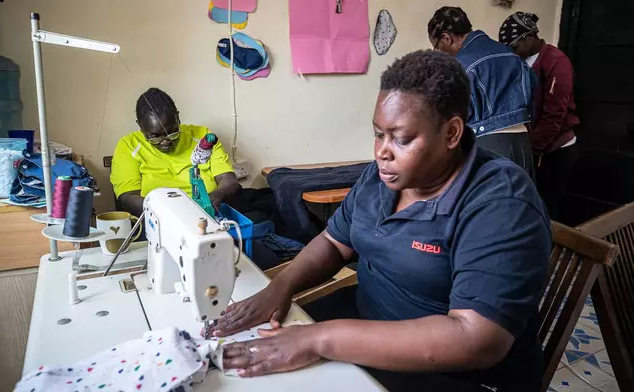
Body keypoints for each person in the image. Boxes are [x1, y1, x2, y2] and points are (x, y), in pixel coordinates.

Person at [207, 50, 551, 392]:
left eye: (401, 139)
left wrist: (319, 339)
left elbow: (476, 339)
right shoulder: (382, 177)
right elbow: (332, 242)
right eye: (378, 134)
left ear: (451, 134)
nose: (381, 152)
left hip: (454, 372)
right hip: (365, 325)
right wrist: (280, 288)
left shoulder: (501, 201)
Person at [427, 6, 537, 181]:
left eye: (437, 48)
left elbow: (456, 119)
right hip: (523, 144)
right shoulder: (511, 55)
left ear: (446, 38)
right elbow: (534, 99)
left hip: (489, 146)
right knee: (520, 204)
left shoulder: (462, 66)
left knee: (492, 205)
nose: (440, 54)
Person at [110, 88, 240, 217]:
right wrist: (170, 214)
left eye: (172, 132)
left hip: (208, 214)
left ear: (178, 118)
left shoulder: (203, 138)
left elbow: (229, 180)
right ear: (140, 126)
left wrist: (212, 199)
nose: (165, 142)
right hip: (158, 218)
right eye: (155, 137)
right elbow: (127, 198)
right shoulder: (128, 146)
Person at [499, 12, 580, 220]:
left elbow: (554, 117)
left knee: (548, 209)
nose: (512, 53)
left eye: (514, 47)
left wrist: (530, 150)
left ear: (529, 38)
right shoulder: (520, 62)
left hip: (555, 150)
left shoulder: (556, 62)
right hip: (532, 147)